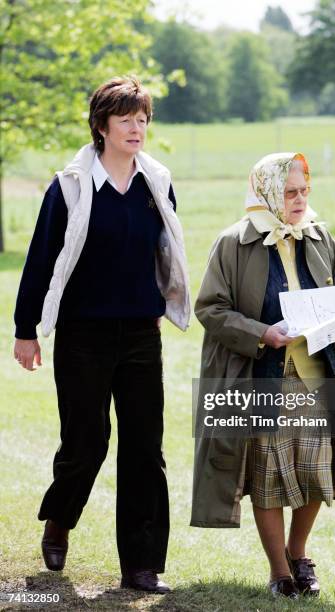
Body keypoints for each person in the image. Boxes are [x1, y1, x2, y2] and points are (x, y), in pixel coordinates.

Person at [13, 76, 190, 593]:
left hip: (140, 333)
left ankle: (141, 565)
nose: (137, 128)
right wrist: (27, 330)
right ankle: (60, 521)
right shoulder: (69, 185)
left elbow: (166, 249)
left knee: (145, 449)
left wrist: (163, 300)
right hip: (82, 334)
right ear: (101, 125)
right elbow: (41, 259)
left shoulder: (157, 181)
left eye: (143, 119)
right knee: (85, 444)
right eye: (126, 119)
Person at [191, 152, 335, 599]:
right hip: (262, 379)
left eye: (305, 191)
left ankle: (299, 554)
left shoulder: (320, 237)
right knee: (269, 478)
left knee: (316, 473)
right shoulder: (232, 243)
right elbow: (210, 308)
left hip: (317, 379)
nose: (300, 200)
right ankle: (279, 572)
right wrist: (262, 333)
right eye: (290, 192)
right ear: (269, 192)